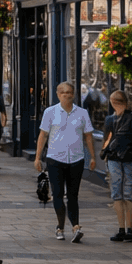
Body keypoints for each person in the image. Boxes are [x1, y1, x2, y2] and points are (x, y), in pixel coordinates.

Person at [34, 81, 97, 243]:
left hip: (76, 159)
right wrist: (37, 157)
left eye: (70, 92)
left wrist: (93, 157)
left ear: (74, 94)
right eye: (64, 92)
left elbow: (88, 136)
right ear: (58, 94)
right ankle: (60, 226)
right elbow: (43, 135)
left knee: (73, 195)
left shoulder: (82, 113)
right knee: (57, 195)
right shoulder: (50, 112)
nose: (67, 95)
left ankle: (76, 227)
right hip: (55, 158)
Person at [100, 90, 132, 244]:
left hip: (114, 158)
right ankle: (129, 230)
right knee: (128, 194)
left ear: (113, 102)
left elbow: (107, 140)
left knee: (117, 194)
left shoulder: (109, 120)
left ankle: (121, 229)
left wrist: (103, 152)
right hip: (130, 158)